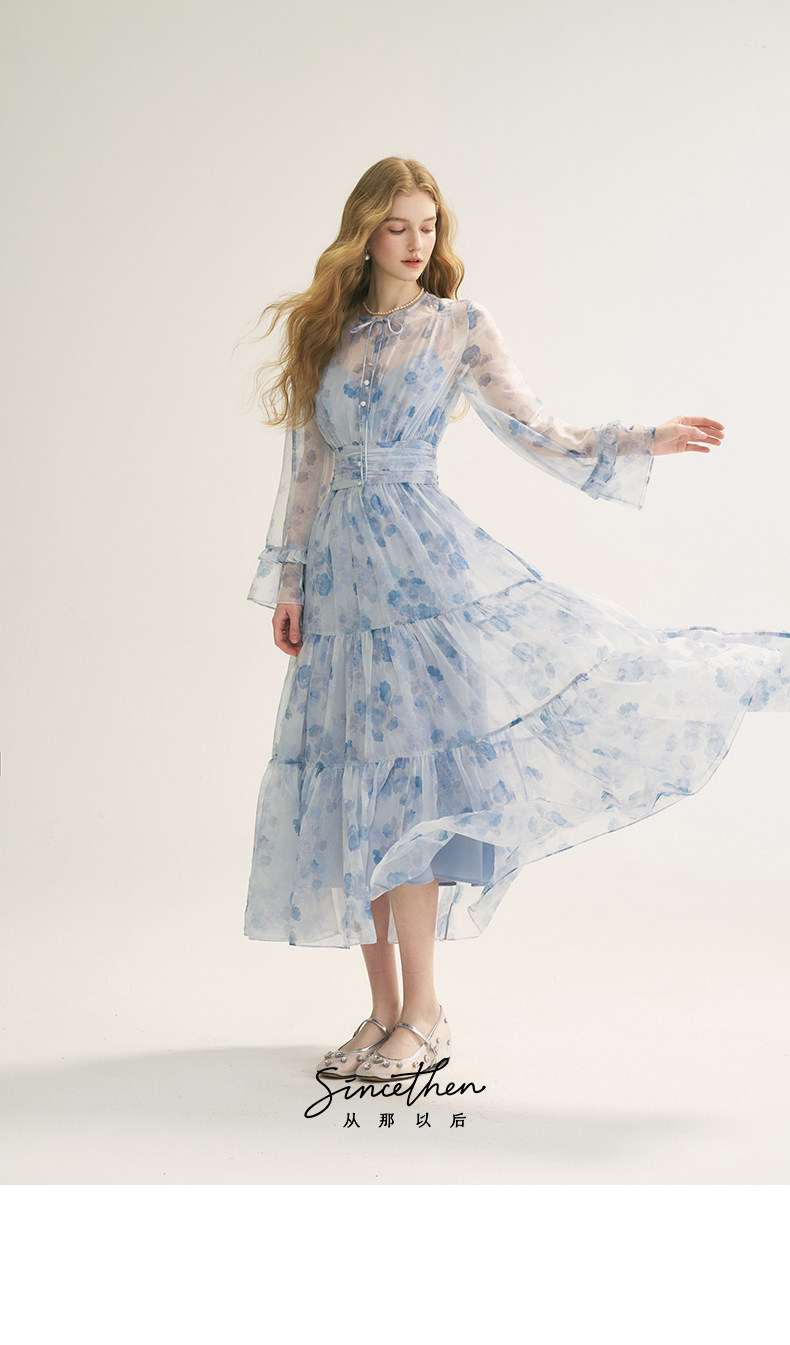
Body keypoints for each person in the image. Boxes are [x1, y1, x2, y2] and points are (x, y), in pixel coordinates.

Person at [241, 157, 789, 1084]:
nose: (415, 243)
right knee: (350, 789)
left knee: (407, 791)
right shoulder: (324, 329)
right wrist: (291, 579)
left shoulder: (458, 326)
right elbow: (308, 465)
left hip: (422, 574)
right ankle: (381, 1012)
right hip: (341, 582)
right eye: (397, 226)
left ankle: (424, 1012)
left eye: (427, 226)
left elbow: (539, 430)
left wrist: (643, 439)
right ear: (364, 233)